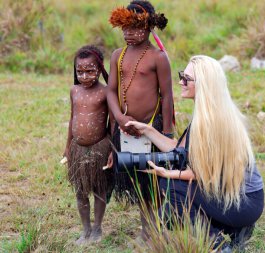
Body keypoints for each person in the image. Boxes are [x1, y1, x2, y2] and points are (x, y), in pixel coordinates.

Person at [125, 55, 264, 251]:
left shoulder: (211, 121)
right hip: (243, 199)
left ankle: (217, 245)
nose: (181, 82)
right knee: (173, 195)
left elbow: (199, 173)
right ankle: (236, 230)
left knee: (171, 189)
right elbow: (179, 150)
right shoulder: (212, 112)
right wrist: (147, 130)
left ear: (204, 84)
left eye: (187, 78)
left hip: (243, 201)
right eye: (183, 75)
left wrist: (167, 174)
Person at [107, 0, 174, 239]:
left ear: (148, 27)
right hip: (125, 128)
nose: (128, 33)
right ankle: (148, 230)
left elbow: (167, 97)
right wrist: (119, 117)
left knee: (154, 180)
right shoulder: (118, 55)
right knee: (138, 180)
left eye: (134, 28)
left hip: (151, 128)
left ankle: (158, 229)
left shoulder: (158, 58)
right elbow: (110, 91)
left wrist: (166, 134)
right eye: (124, 28)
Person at [64, 45, 113, 245]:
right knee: (80, 190)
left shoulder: (106, 92)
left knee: (99, 189)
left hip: (99, 148)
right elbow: (71, 118)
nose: (84, 76)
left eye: (90, 71)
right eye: (80, 71)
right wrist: (68, 147)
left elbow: (113, 123)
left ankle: (97, 229)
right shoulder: (74, 90)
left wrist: (111, 149)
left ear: (100, 69)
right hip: (77, 148)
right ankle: (85, 229)